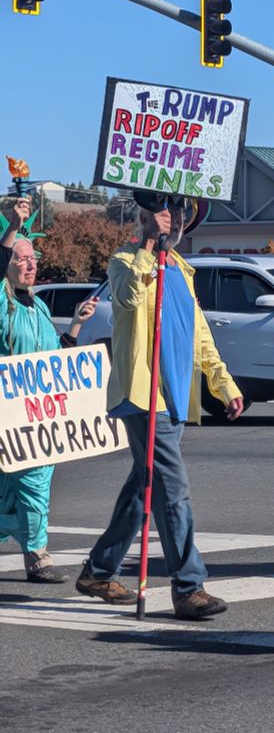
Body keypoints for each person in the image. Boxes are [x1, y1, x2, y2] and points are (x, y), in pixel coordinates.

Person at [76, 195, 245, 619]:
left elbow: (199, 335)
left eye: (183, 214)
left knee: (143, 488)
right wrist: (149, 246)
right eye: (169, 212)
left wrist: (223, 383)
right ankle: (188, 586)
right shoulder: (124, 261)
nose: (177, 220)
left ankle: (98, 571)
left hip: (174, 395)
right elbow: (128, 299)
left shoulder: (182, 271)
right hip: (142, 395)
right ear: (147, 217)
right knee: (172, 489)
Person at [0, 197, 97, 582]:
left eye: (33, 259)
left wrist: (75, 326)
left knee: (33, 480)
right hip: (7, 412)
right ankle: (35, 552)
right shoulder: (2, 303)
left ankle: (36, 554)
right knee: (11, 487)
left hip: (38, 419)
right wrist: (12, 227)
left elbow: (54, 359)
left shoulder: (38, 307)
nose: (30, 264)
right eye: (20, 258)